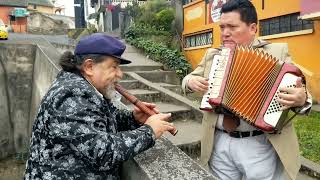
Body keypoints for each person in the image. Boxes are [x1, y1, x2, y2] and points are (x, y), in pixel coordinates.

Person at [182, 0, 312, 179]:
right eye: (222, 27)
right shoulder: (213, 55)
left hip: (258, 143)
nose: (225, 33)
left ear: (252, 28)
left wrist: (302, 99)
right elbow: (188, 78)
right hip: (218, 140)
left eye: (232, 27)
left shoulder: (277, 52)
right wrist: (190, 82)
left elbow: (300, 89)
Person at [24, 33, 175, 179]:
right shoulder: (72, 96)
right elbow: (103, 153)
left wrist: (133, 118)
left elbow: (102, 119)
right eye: (114, 67)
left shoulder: (84, 87)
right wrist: (149, 131)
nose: (120, 74)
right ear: (89, 66)